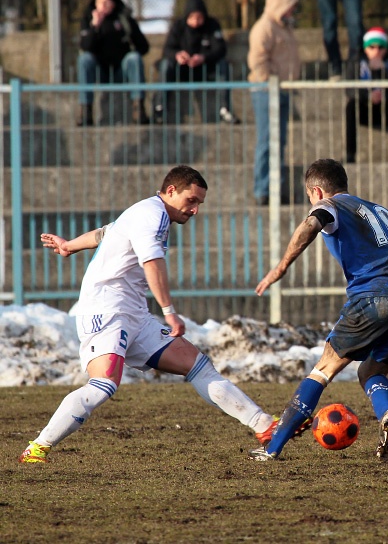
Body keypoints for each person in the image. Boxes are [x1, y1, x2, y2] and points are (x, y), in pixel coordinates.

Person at [19, 166, 278, 463]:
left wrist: (68, 246)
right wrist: (169, 312)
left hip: (134, 313)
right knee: (103, 386)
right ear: (170, 191)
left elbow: (105, 233)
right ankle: (37, 447)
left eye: (199, 204)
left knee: (196, 364)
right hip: (107, 309)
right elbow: (152, 262)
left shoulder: (149, 212)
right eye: (191, 201)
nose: (194, 210)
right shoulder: (151, 214)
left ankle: (264, 425)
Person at [249, 159, 388, 462]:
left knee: (324, 369)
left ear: (317, 191)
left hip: (374, 297)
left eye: (310, 197)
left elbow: (312, 222)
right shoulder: (379, 211)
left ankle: (272, 448)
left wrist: (279, 268)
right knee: (371, 370)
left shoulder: (330, 205)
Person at [248, 0, 300, 206]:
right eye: (289, 6)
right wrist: (271, 81)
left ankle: (276, 188)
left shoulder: (283, 27)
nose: (292, 11)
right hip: (266, 91)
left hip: (283, 90)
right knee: (267, 141)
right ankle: (263, 189)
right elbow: (257, 60)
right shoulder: (264, 27)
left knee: (279, 143)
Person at [154, 0, 240, 125]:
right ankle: (159, 108)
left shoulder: (212, 25)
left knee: (223, 65)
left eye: (199, 17)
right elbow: (167, 50)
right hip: (182, 70)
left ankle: (224, 108)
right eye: (192, 17)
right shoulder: (178, 26)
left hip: (205, 69)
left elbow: (220, 49)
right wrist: (178, 55)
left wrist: (203, 58)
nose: (195, 21)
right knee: (166, 65)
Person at [76, 0, 150, 127]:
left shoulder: (123, 18)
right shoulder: (88, 19)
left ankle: (138, 108)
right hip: (99, 71)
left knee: (133, 58)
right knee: (84, 60)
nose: (104, 5)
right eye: (100, 2)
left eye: (107, 1)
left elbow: (144, 46)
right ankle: (86, 110)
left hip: (120, 71)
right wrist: (95, 27)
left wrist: (130, 33)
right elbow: (85, 46)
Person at [345, 27, 388, 163]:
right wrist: (368, 96)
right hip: (364, 106)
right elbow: (349, 89)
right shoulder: (356, 61)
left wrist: (382, 71)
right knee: (350, 107)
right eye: (372, 47)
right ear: (365, 48)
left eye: (380, 47)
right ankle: (350, 154)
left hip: (386, 107)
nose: (376, 51)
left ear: (386, 48)